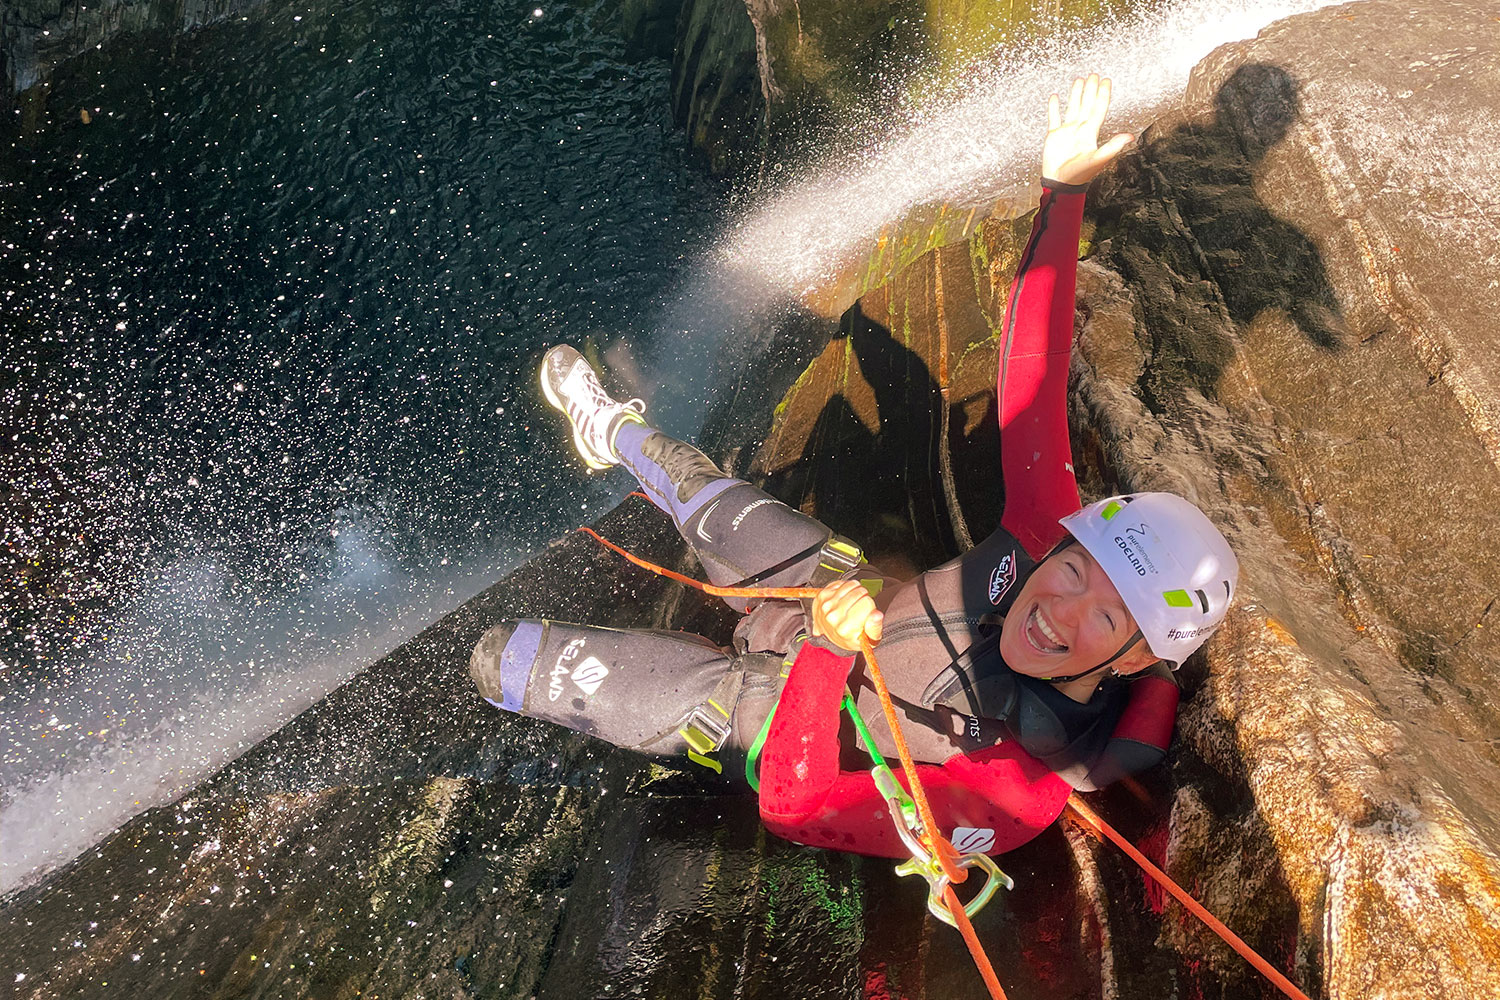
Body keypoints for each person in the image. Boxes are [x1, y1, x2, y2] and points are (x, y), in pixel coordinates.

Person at [469, 75, 1238, 859]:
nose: (1060, 607)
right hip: (837, 588)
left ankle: (691, 655)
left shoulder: (1011, 790)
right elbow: (1031, 377)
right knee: (696, 484)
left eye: (1107, 618)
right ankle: (610, 433)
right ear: (1067, 544)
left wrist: (829, 654)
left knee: (499, 658)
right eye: (1077, 570)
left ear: (1137, 656)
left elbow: (796, 807)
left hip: (764, 708)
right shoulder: (1041, 535)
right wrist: (1061, 192)